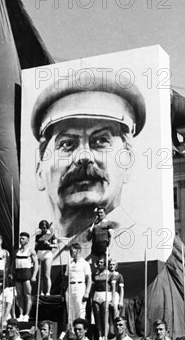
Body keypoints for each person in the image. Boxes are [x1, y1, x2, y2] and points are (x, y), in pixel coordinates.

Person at [31, 70, 146, 261]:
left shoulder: (141, 245)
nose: (84, 157)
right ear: (39, 172)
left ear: (128, 162)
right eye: (67, 144)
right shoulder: (40, 249)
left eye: (101, 140)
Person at [63, 242, 92, 324]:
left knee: (80, 310)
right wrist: (64, 290)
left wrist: (87, 292)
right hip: (70, 288)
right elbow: (66, 277)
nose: (70, 253)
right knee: (70, 312)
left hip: (80, 287)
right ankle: (71, 332)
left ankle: (80, 331)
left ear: (78, 250)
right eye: (70, 251)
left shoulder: (85, 263)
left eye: (72, 250)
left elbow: (89, 278)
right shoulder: (69, 264)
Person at [14, 232, 38, 322]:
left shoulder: (31, 251)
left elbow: (36, 264)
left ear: (28, 240)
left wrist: (34, 275)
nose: (21, 240)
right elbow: (13, 263)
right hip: (18, 273)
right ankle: (20, 314)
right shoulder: (16, 251)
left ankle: (27, 315)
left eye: (23, 238)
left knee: (27, 295)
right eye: (20, 238)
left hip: (26, 273)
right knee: (19, 296)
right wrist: (12, 273)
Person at [91, 257, 113, 340]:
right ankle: (100, 337)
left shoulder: (110, 274)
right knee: (98, 318)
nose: (100, 264)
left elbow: (113, 287)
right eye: (99, 262)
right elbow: (93, 287)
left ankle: (105, 337)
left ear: (105, 264)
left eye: (101, 262)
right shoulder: (95, 274)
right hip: (97, 295)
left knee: (105, 317)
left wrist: (113, 299)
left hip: (106, 294)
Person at [35, 220, 57, 296]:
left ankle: (47, 292)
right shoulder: (38, 236)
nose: (43, 229)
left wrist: (49, 244)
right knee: (40, 275)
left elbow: (56, 246)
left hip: (47, 254)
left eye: (45, 228)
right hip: (39, 254)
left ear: (47, 227)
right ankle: (41, 292)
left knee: (47, 275)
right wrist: (34, 255)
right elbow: (36, 246)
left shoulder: (51, 235)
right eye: (42, 228)